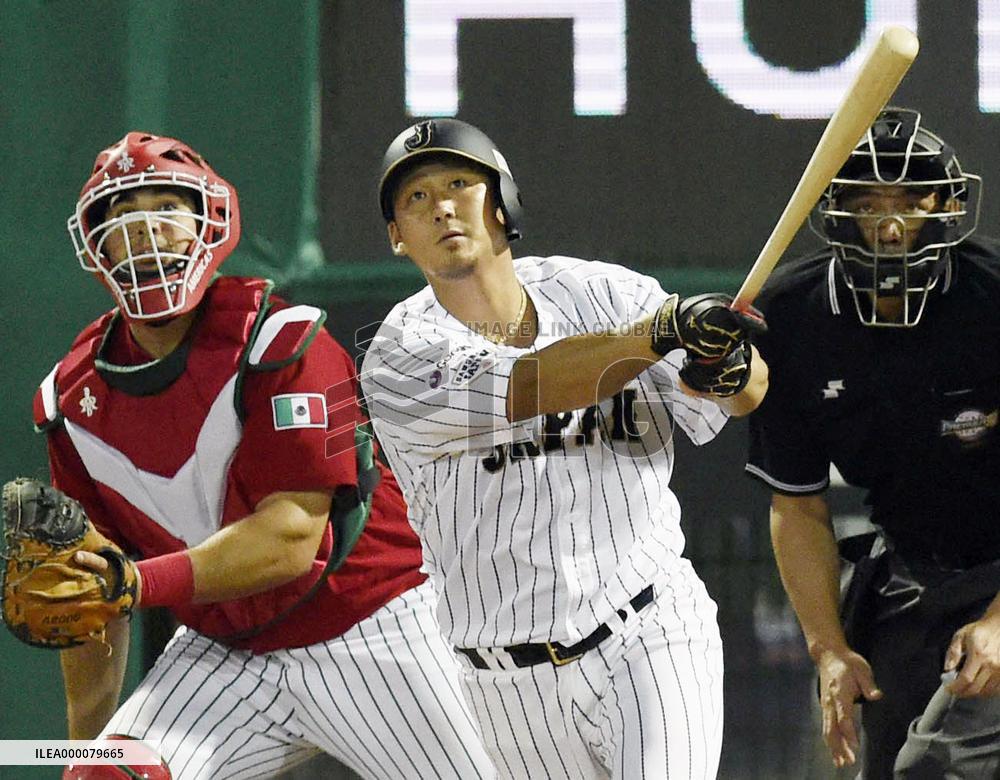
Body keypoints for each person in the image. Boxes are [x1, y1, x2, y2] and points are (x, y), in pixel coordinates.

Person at [37, 131, 495, 779]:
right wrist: (85, 751)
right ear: (95, 246)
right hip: (225, 654)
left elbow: (289, 541)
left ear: (210, 220)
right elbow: (93, 596)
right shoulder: (70, 400)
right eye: (121, 223)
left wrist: (133, 584)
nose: (145, 235)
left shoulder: (285, 340)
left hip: (374, 623)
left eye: (166, 211)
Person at [359, 118, 768, 779]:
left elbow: (744, 393)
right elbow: (534, 383)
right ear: (397, 239)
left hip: (647, 631)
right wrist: (657, 336)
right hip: (495, 685)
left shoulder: (602, 292)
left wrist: (728, 367)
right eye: (415, 199)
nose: (440, 206)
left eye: (459, 183)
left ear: (502, 202)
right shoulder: (397, 354)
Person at [745, 107, 1000, 779]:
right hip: (911, 571)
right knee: (889, 768)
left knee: (938, 766)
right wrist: (829, 650)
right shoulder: (791, 320)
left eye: (913, 198)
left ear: (948, 205)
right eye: (867, 200)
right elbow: (797, 505)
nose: (889, 222)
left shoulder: (995, 300)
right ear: (836, 211)